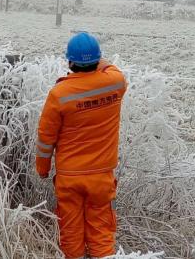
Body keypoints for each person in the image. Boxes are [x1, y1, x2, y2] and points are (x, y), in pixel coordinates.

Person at [36, 31, 127, 259]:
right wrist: (96, 60)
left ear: (69, 61)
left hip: (70, 177)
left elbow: (46, 138)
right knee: (102, 230)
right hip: (101, 176)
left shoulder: (60, 94)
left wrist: (43, 168)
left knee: (71, 231)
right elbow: (109, 67)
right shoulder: (115, 82)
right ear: (98, 60)